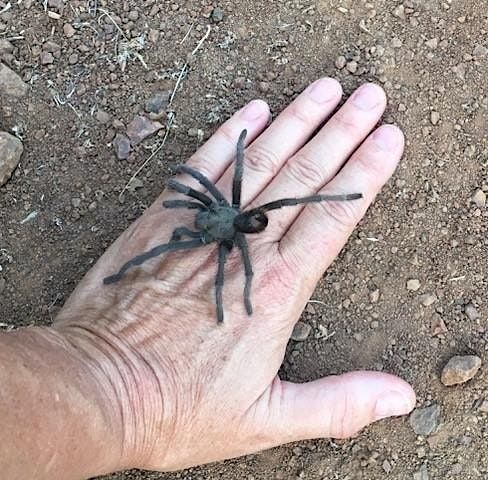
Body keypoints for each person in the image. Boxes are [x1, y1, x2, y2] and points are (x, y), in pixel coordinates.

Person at [0, 78, 415, 479]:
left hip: (234, 220)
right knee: (188, 233)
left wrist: (233, 298)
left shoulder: (217, 231)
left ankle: (336, 201)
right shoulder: (216, 208)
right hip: (230, 215)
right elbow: (198, 193)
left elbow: (213, 234)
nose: (194, 212)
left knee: (192, 244)